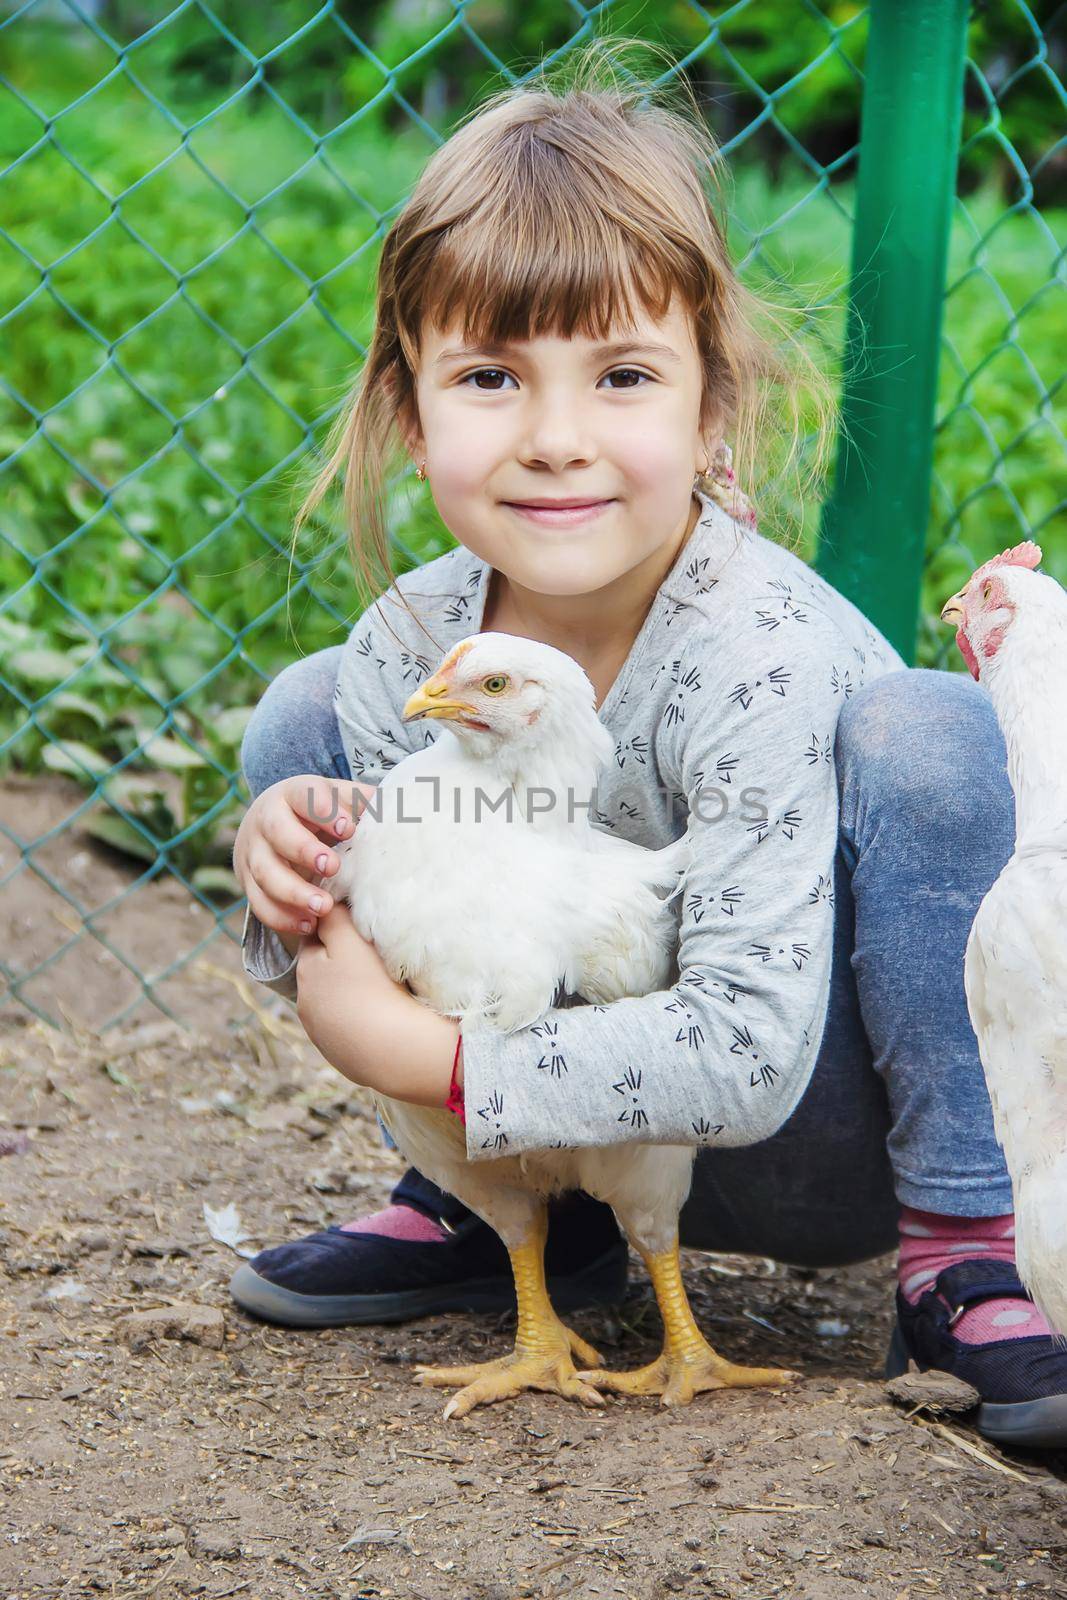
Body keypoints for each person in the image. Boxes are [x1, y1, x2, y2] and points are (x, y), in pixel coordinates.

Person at [228, 43, 1067, 1448]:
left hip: (797, 1129)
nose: (557, 439)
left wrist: (437, 1067)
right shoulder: (405, 648)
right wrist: (288, 880)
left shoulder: (762, 655)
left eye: (620, 375)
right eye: (492, 378)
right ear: (407, 406)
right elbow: (381, 945)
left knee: (925, 729)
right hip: (541, 1121)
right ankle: (505, 1224)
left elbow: (743, 1051)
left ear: (709, 407)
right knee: (304, 722)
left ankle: (963, 1241)